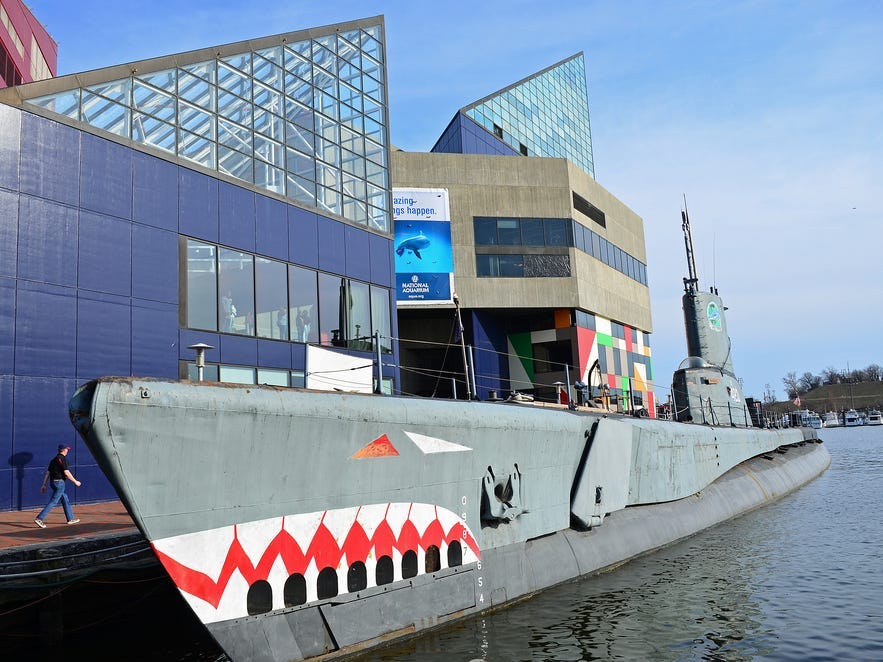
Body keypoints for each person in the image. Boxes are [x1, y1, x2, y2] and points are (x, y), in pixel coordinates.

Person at [35, 444, 82, 528]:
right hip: (59, 483)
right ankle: (39, 518)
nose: (67, 451)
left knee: (65, 498)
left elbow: (48, 473)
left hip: (53, 483)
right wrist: (75, 482)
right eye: (67, 449)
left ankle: (70, 519)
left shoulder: (53, 460)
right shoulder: (63, 459)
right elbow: (66, 472)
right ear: (64, 450)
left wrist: (44, 484)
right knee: (53, 501)